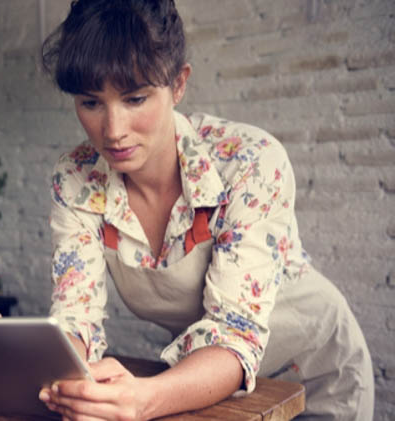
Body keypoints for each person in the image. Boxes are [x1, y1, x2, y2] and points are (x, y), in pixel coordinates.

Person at [34, 0, 375, 420]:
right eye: (90, 103)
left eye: (135, 98)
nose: (113, 129)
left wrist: (141, 399)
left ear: (178, 84)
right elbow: (76, 313)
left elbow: (234, 331)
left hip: (315, 373)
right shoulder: (76, 178)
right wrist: (56, 370)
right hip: (201, 381)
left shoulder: (249, 162)